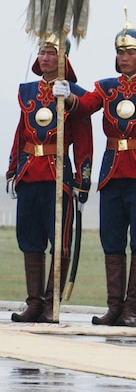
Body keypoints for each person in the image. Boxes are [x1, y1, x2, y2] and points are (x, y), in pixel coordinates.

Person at [66, 12, 136, 328]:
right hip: (112, 171)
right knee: (111, 240)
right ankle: (114, 306)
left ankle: (131, 310)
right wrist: (68, 95)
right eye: (120, 53)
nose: (124, 58)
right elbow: (84, 106)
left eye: (130, 53)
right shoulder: (107, 88)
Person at [7, 36, 93, 323]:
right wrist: (13, 169)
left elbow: (83, 141)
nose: (45, 58)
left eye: (51, 53)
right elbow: (21, 132)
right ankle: (34, 303)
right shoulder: (28, 92)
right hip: (30, 171)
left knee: (60, 241)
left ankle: (50, 303)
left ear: (63, 58)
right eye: (42, 52)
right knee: (30, 240)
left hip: (58, 176)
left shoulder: (75, 95)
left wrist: (82, 180)